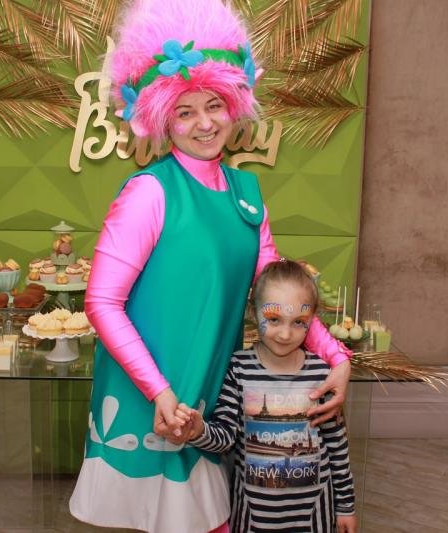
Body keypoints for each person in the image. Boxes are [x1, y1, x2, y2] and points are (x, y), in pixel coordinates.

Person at [69, 1, 352, 531]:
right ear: (161, 118)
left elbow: (277, 293)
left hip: (211, 393)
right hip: (152, 394)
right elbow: (102, 302)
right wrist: (159, 391)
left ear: (234, 104)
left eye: (214, 105)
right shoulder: (149, 191)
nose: (204, 123)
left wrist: (337, 357)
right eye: (184, 111)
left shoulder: (247, 194)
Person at [176, 260, 357, 533]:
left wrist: (346, 506)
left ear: (312, 319)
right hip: (252, 517)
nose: (285, 334)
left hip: (314, 516)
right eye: (273, 320)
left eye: (298, 322)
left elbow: (337, 448)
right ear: (253, 311)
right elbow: (225, 437)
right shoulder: (238, 368)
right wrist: (198, 429)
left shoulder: (322, 374)